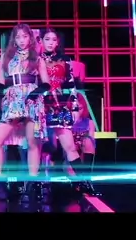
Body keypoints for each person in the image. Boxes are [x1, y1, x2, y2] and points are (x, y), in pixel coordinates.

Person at [0, 24, 49, 201]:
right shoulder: (6, 57)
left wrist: (36, 93)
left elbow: (46, 83)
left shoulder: (37, 58)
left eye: (25, 36)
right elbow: (1, 82)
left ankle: (32, 185)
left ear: (30, 38)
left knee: (33, 143)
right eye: (18, 37)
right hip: (12, 100)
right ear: (14, 39)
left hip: (32, 100)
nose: (21, 40)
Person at [39, 28, 98, 196]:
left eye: (53, 39)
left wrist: (75, 107)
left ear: (57, 42)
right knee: (38, 147)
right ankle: (35, 185)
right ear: (41, 41)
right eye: (47, 39)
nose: (50, 42)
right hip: (39, 106)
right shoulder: (35, 59)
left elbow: (70, 85)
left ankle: (84, 182)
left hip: (59, 107)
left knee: (70, 146)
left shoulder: (65, 60)